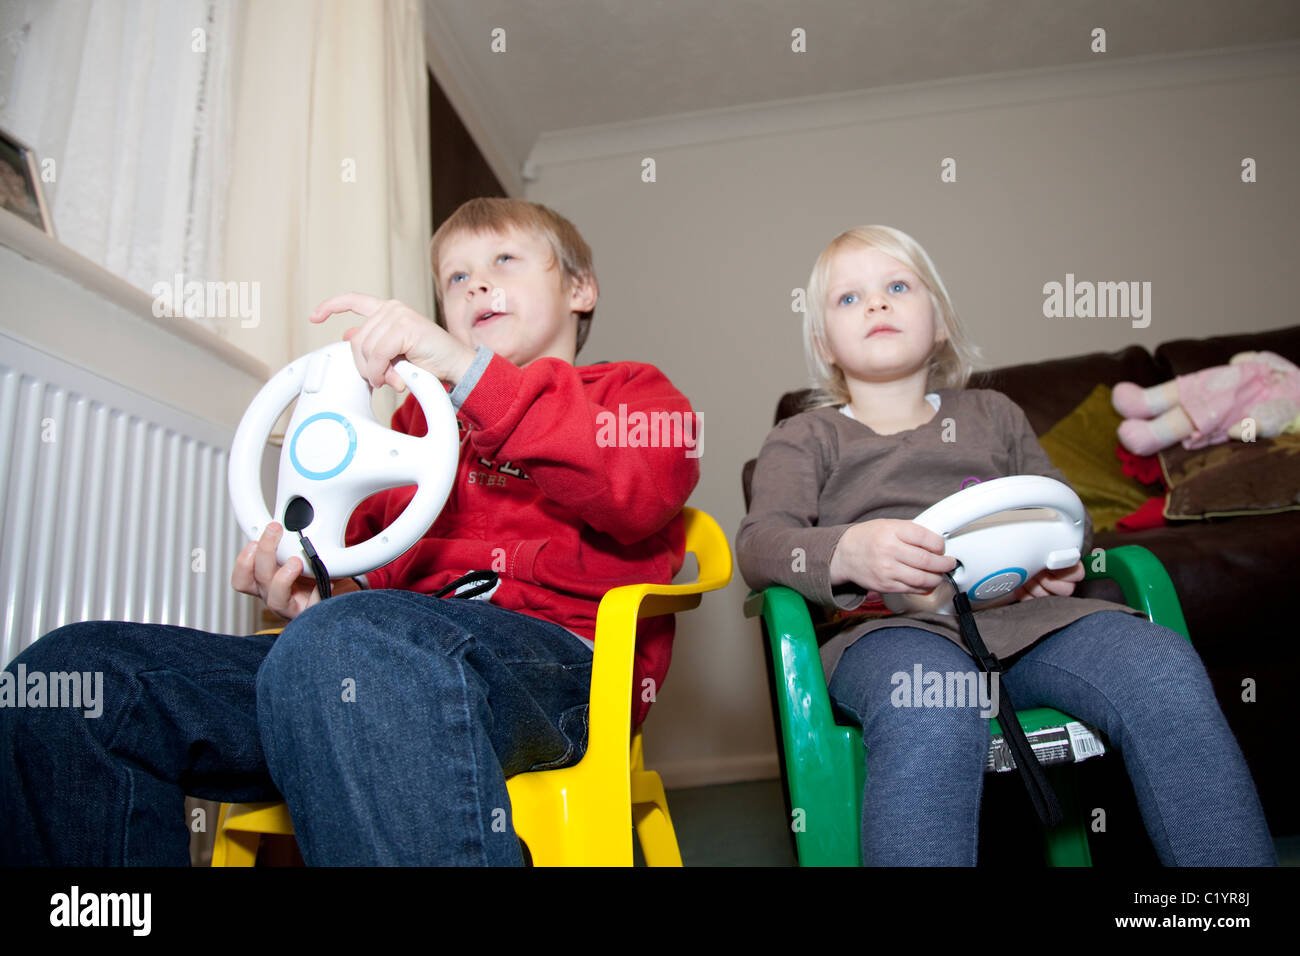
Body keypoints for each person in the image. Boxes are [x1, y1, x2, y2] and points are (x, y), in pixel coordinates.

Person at [0, 197, 700, 865]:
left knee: (352, 644)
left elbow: (634, 496)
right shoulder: (411, 434)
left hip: (564, 674)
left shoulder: (633, 395)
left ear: (581, 289)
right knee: (74, 676)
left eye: (506, 260)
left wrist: (467, 373)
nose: (477, 284)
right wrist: (314, 598)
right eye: (456, 277)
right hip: (362, 661)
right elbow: (369, 578)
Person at [735, 224, 1274, 866]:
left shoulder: (994, 415)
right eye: (849, 298)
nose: (876, 304)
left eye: (897, 286)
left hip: (1028, 617)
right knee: (930, 700)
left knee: (1162, 666)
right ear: (824, 342)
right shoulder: (807, 437)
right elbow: (762, 545)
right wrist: (847, 551)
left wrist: (1054, 556)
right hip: (886, 632)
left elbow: (1062, 507)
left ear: (938, 322)